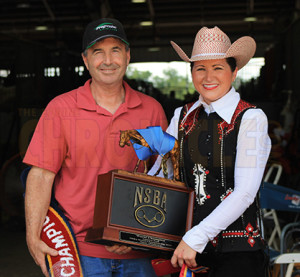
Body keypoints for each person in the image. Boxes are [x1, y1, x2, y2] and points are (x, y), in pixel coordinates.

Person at [23, 18, 167, 277]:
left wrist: (136, 234)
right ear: (86, 60)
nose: (108, 60)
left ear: (128, 56)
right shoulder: (61, 108)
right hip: (77, 251)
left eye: (115, 50)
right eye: (98, 52)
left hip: (138, 254)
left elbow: (163, 178)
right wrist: (32, 236)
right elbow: (41, 175)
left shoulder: (151, 109)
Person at [149, 26, 271, 276]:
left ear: (234, 71)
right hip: (186, 250)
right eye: (200, 68)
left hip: (237, 256)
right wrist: (129, 221)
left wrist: (195, 237)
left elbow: (245, 192)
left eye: (218, 68)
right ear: (191, 72)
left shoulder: (251, 118)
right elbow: (162, 175)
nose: (208, 77)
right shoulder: (180, 117)